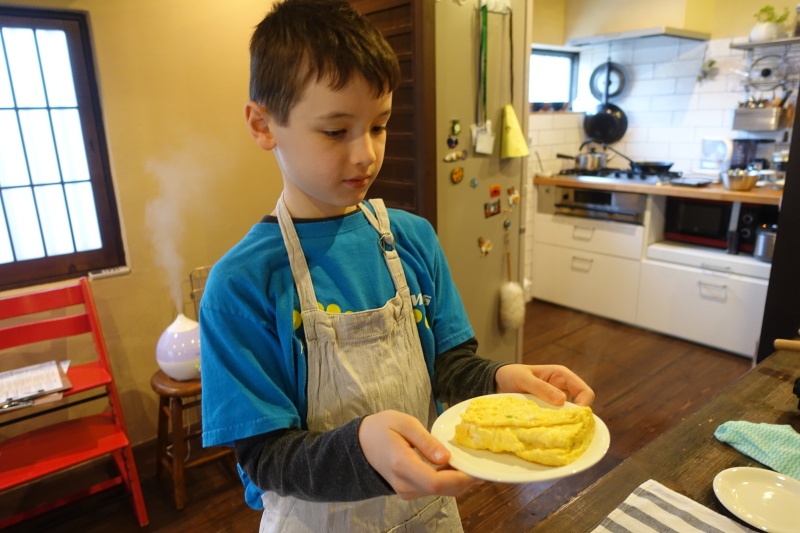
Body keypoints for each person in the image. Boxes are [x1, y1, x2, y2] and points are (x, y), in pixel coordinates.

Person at [200, 1, 595, 531]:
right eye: (336, 131)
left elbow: (449, 369)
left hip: (429, 513)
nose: (365, 154)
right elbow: (266, 458)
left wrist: (502, 378)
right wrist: (361, 446)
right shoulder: (243, 284)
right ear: (263, 124)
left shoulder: (413, 239)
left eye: (380, 125)